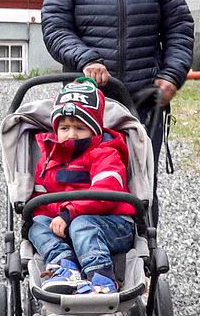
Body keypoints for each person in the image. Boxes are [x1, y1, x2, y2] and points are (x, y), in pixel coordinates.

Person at [41, 0, 195, 168]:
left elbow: (180, 30)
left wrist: (171, 75)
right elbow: (55, 29)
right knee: (85, 180)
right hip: (86, 104)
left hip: (144, 103)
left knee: (141, 187)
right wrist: (87, 60)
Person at [28, 78, 137, 295]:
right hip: (65, 224)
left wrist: (69, 213)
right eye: (65, 127)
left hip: (112, 225)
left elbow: (107, 192)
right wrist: (50, 218)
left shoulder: (106, 153)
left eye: (80, 127)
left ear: (95, 130)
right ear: (55, 129)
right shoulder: (48, 158)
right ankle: (65, 265)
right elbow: (41, 200)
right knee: (36, 224)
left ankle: (102, 278)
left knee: (81, 225)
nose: (71, 134)